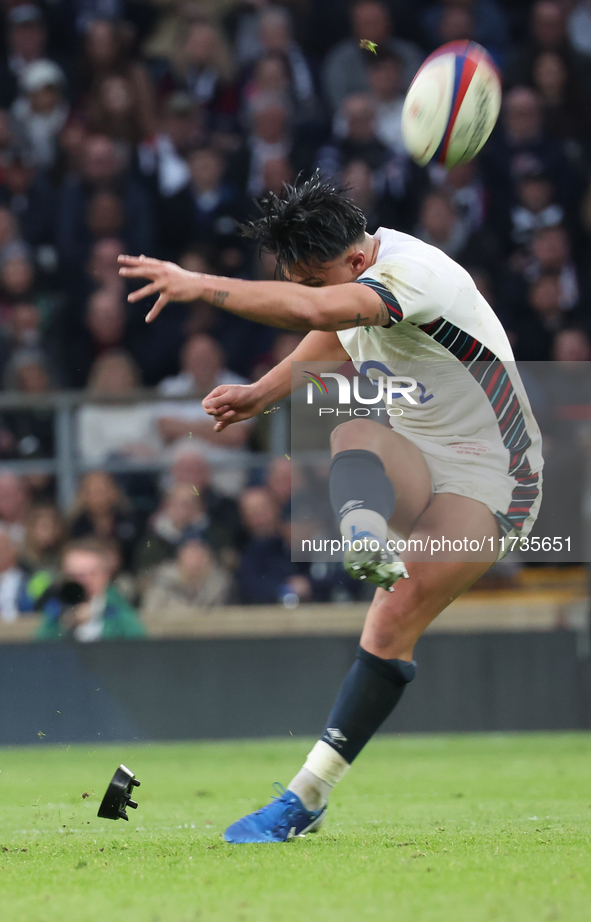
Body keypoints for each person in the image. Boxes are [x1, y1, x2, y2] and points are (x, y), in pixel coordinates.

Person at [118, 173, 543, 842]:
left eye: (315, 280)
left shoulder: (415, 277)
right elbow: (335, 329)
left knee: (392, 614)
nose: (314, 292)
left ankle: (303, 796)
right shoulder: (362, 264)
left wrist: (202, 286)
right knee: (352, 430)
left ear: (353, 262)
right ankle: (365, 540)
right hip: (425, 455)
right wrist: (263, 391)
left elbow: (319, 314)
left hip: (498, 477)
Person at [36, 537, 146, 641]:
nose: (82, 582)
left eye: (90, 575)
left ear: (105, 575)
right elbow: (39, 650)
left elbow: (139, 645)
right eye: (74, 576)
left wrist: (94, 616)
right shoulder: (56, 610)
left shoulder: (118, 609)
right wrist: (65, 625)